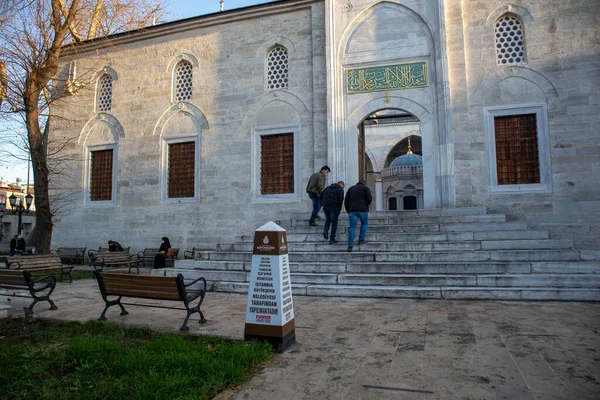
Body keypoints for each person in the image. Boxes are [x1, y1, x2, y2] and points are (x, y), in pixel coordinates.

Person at [344, 180, 372, 253]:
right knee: (364, 224)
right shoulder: (366, 188)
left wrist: (348, 210)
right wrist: (365, 205)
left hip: (352, 210)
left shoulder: (351, 188)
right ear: (364, 184)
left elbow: (346, 200)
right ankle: (361, 240)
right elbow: (369, 199)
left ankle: (350, 244)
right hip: (363, 209)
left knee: (352, 227)